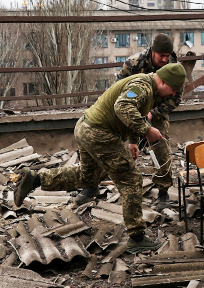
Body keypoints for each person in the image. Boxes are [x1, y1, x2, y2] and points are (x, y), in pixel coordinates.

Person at [13, 63, 187, 253]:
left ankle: (35, 179)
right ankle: (137, 238)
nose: (172, 94)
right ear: (162, 81)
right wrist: (148, 130)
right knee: (131, 180)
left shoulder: (148, 87)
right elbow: (122, 107)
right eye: (172, 89)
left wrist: (133, 140)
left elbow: (136, 113)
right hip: (99, 134)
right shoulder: (143, 86)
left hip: (85, 127)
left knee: (88, 176)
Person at [75, 33, 180, 212]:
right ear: (152, 51)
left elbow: (174, 99)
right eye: (161, 55)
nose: (164, 59)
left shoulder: (174, 70)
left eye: (167, 55)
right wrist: (132, 134)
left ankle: (163, 190)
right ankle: (91, 184)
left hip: (156, 113)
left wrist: (152, 114)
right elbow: (119, 90)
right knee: (104, 142)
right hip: (128, 110)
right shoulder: (133, 64)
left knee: (161, 149)